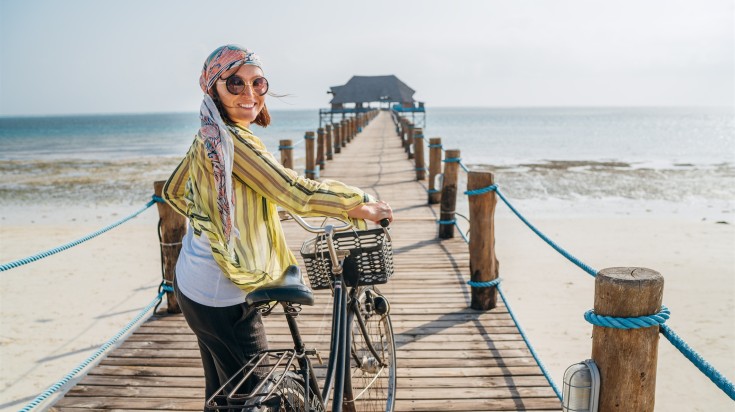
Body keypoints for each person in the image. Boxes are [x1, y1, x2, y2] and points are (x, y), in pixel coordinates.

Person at [162, 44, 392, 410]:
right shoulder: (233, 143)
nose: (249, 93)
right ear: (213, 89)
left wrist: (231, 218)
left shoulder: (208, 135)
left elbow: (176, 190)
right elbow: (292, 190)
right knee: (258, 401)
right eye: (234, 83)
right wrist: (357, 203)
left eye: (258, 83)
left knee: (223, 399)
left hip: (191, 283)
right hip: (224, 292)